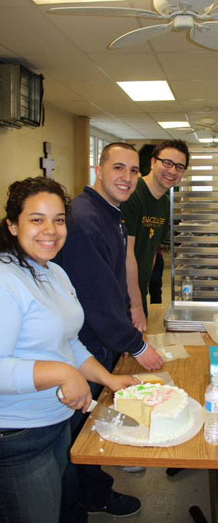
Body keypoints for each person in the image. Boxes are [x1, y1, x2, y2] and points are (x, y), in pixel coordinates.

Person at [0, 177, 136, 523]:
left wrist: (108, 380)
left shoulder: (53, 272)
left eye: (59, 219)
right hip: (18, 436)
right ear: (13, 225)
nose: (51, 230)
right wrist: (62, 373)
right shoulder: (5, 280)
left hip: (57, 422)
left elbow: (69, 342)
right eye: (37, 219)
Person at [55, 143, 163, 522]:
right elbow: (97, 299)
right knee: (78, 435)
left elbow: (116, 276)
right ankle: (85, 501)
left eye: (134, 171)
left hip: (96, 341)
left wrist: (133, 307)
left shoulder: (110, 214)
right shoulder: (85, 219)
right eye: (118, 168)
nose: (127, 177)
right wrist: (137, 347)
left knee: (88, 426)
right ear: (98, 169)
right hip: (80, 348)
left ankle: (93, 489)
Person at [121, 139, 190, 331]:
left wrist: (141, 294)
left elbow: (151, 251)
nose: (172, 171)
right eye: (166, 163)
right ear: (153, 163)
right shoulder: (133, 195)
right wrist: (134, 305)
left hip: (138, 293)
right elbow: (127, 255)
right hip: (121, 296)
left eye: (179, 166)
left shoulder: (164, 203)